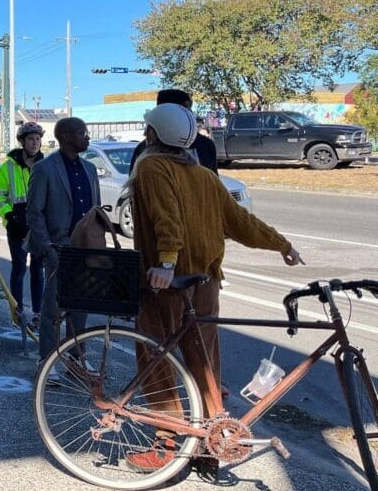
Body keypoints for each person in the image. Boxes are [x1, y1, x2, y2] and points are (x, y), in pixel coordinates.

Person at [124, 103, 304, 472]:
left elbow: (166, 218)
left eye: (148, 129)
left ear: (154, 134)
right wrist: (282, 244)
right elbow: (239, 221)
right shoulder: (204, 174)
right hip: (206, 280)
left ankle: (166, 442)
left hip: (167, 282)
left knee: (156, 356)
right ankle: (211, 442)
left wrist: (167, 264)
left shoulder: (151, 166)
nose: (145, 134)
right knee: (204, 360)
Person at [26, 117, 101, 378]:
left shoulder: (90, 169)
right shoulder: (45, 169)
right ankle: (47, 360)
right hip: (58, 245)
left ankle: (76, 356)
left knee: (81, 304)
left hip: (86, 247)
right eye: (84, 133)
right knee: (53, 306)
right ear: (67, 136)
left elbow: (96, 211)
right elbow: (34, 211)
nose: (87, 137)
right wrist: (47, 245)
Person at [0, 122, 45, 327]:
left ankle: (38, 313)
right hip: (16, 225)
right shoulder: (7, 168)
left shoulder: (45, 165)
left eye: (38, 139)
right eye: (31, 139)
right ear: (22, 142)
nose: (35, 143)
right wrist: (10, 217)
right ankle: (18, 312)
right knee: (19, 268)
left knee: (38, 270)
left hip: (39, 225)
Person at [129, 88, 218, 174]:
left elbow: (213, 183)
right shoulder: (144, 153)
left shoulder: (205, 145)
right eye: (185, 106)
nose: (189, 112)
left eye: (189, 107)